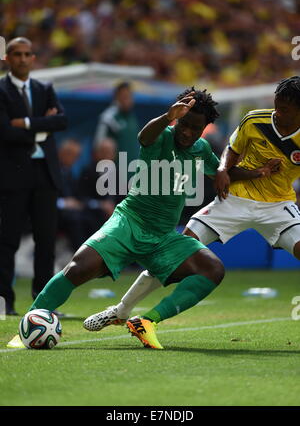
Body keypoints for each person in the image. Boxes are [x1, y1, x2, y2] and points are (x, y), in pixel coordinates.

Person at [7, 87, 277, 349]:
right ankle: (30, 324)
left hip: (163, 237)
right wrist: (167, 117)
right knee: (78, 268)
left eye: (196, 128)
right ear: (177, 118)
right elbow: (144, 136)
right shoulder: (161, 136)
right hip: (129, 222)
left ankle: (147, 321)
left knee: (213, 269)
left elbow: (221, 172)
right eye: (184, 124)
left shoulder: (201, 148)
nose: (188, 132)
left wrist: (256, 172)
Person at [83, 76, 300, 332]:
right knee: (174, 253)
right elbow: (232, 148)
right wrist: (221, 169)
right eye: (276, 105)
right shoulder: (255, 119)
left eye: (284, 109)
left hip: (278, 205)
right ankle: (120, 310)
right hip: (235, 197)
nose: (277, 112)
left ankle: (144, 320)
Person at [0, 37, 67, 316]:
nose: (23, 59)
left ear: (33, 57)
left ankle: (43, 304)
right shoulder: (1, 90)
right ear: (8, 58)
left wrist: (27, 124)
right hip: (13, 176)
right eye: (17, 54)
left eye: (28, 54)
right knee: (7, 241)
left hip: (44, 174)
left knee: (46, 242)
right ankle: (5, 302)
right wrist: (44, 125)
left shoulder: (44, 88)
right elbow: (4, 131)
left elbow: (62, 121)